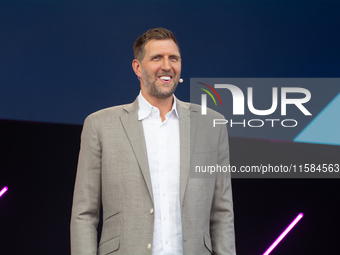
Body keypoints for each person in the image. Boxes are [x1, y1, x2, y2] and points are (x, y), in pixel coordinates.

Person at [70, 27, 236, 255]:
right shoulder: (100, 125)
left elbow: (222, 212)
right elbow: (84, 215)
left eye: (173, 58)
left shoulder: (211, 125)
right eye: (157, 58)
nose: (167, 66)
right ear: (137, 68)